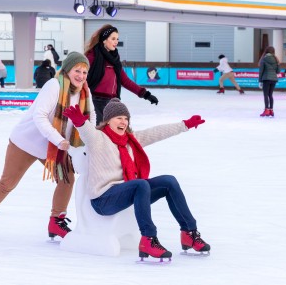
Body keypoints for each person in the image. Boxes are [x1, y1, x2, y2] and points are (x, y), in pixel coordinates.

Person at [62, 98, 210, 260]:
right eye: (118, 118)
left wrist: (185, 125)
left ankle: (189, 232)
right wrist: (80, 122)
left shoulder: (130, 140)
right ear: (108, 121)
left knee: (169, 181)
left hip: (126, 192)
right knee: (140, 184)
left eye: (126, 118)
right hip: (103, 200)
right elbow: (87, 132)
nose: (123, 122)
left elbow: (157, 132)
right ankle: (148, 239)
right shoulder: (98, 139)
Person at [0, 52, 96, 240]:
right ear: (67, 70)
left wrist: (92, 140)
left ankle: (56, 221)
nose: (81, 76)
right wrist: (59, 140)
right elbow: (40, 116)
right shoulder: (54, 85)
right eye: (77, 70)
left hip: (54, 145)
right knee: (7, 183)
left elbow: (90, 119)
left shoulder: (85, 92)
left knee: (67, 179)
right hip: (27, 142)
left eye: (85, 72)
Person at [85, 24, 158, 123]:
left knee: (117, 132)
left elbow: (125, 80)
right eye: (113, 38)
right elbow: (82, 78)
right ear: (104, 40)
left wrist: (145, 94)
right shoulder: (92, 56)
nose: (116, 42)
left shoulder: (115, 59)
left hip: (113, 102)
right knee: (100, 134)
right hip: (96, 102)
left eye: (117, 39)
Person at [258, 46, 280, 117]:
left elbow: (261, 71)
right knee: (270, 95)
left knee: (265, 95)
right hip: (274, 79)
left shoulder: (264, 59)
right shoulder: (276, 59)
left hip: (266, 79)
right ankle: (271, 110)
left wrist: (260, 81)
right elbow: (278, 71)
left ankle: (266, 110)